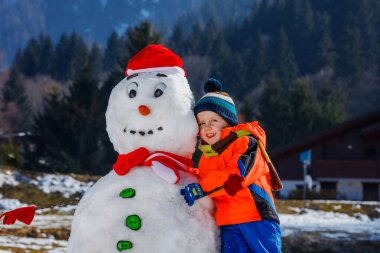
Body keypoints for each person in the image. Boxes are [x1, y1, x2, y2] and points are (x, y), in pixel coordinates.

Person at [180, 78, 282, 253]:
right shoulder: (207, 156)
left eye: (213, 120)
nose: (207, 127)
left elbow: (236, 178)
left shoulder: (247, 143)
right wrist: (182, 175)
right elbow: (208, 179)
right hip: (227, 222)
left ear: (227, 120)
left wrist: (201, 187)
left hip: (255, 216)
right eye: (202, 123)